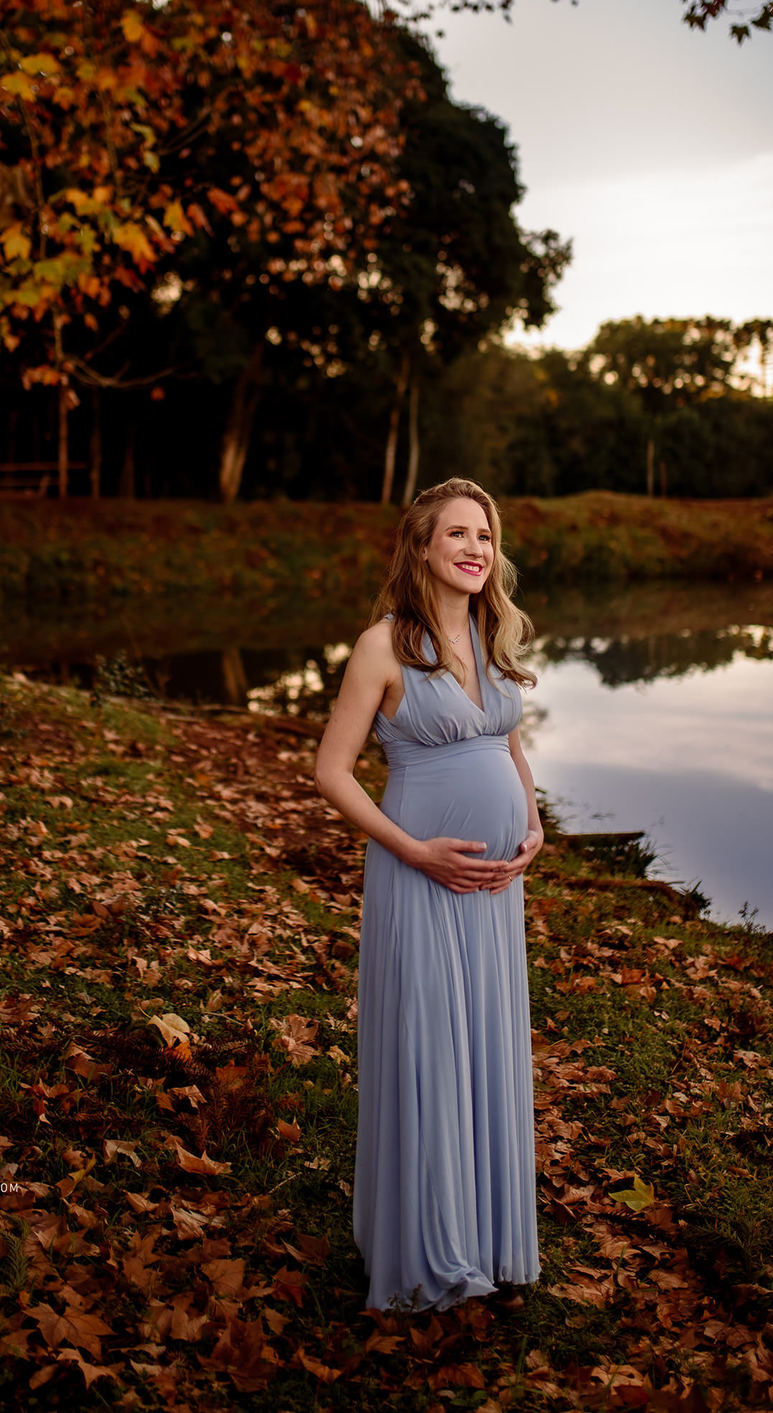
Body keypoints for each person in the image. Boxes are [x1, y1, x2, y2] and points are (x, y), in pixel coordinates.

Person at [314, 476, 544, 1312]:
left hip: (493, 887)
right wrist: (414, 850)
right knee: (431, 1048)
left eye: (484, 534)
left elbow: (506, 740)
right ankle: (426, 1247)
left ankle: (484, 1229)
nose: (475, 548)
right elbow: (331, 770)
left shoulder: (493, 633)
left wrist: (536, 819)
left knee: (482, 1041)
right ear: (421, 548)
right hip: (421, 874)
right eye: (457, 534)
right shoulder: (383, 645)